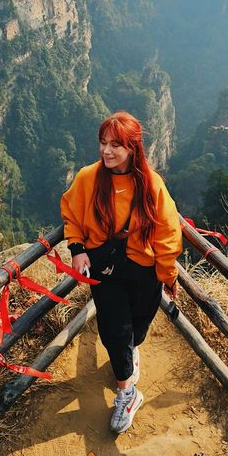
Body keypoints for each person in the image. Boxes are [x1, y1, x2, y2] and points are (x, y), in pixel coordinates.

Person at [60, 111, 182, 434]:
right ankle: (127, 392)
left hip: (144, 270)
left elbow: (168, 235)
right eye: (103, 143)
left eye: (115, 145)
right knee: (114, 328)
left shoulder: (151, 186)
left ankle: (129, 353)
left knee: (137, 326)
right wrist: (76, 249)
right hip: (106, 267)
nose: (106, 151)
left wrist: (169, 276)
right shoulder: (89, 178)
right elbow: (70, 213)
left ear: (132, 148)